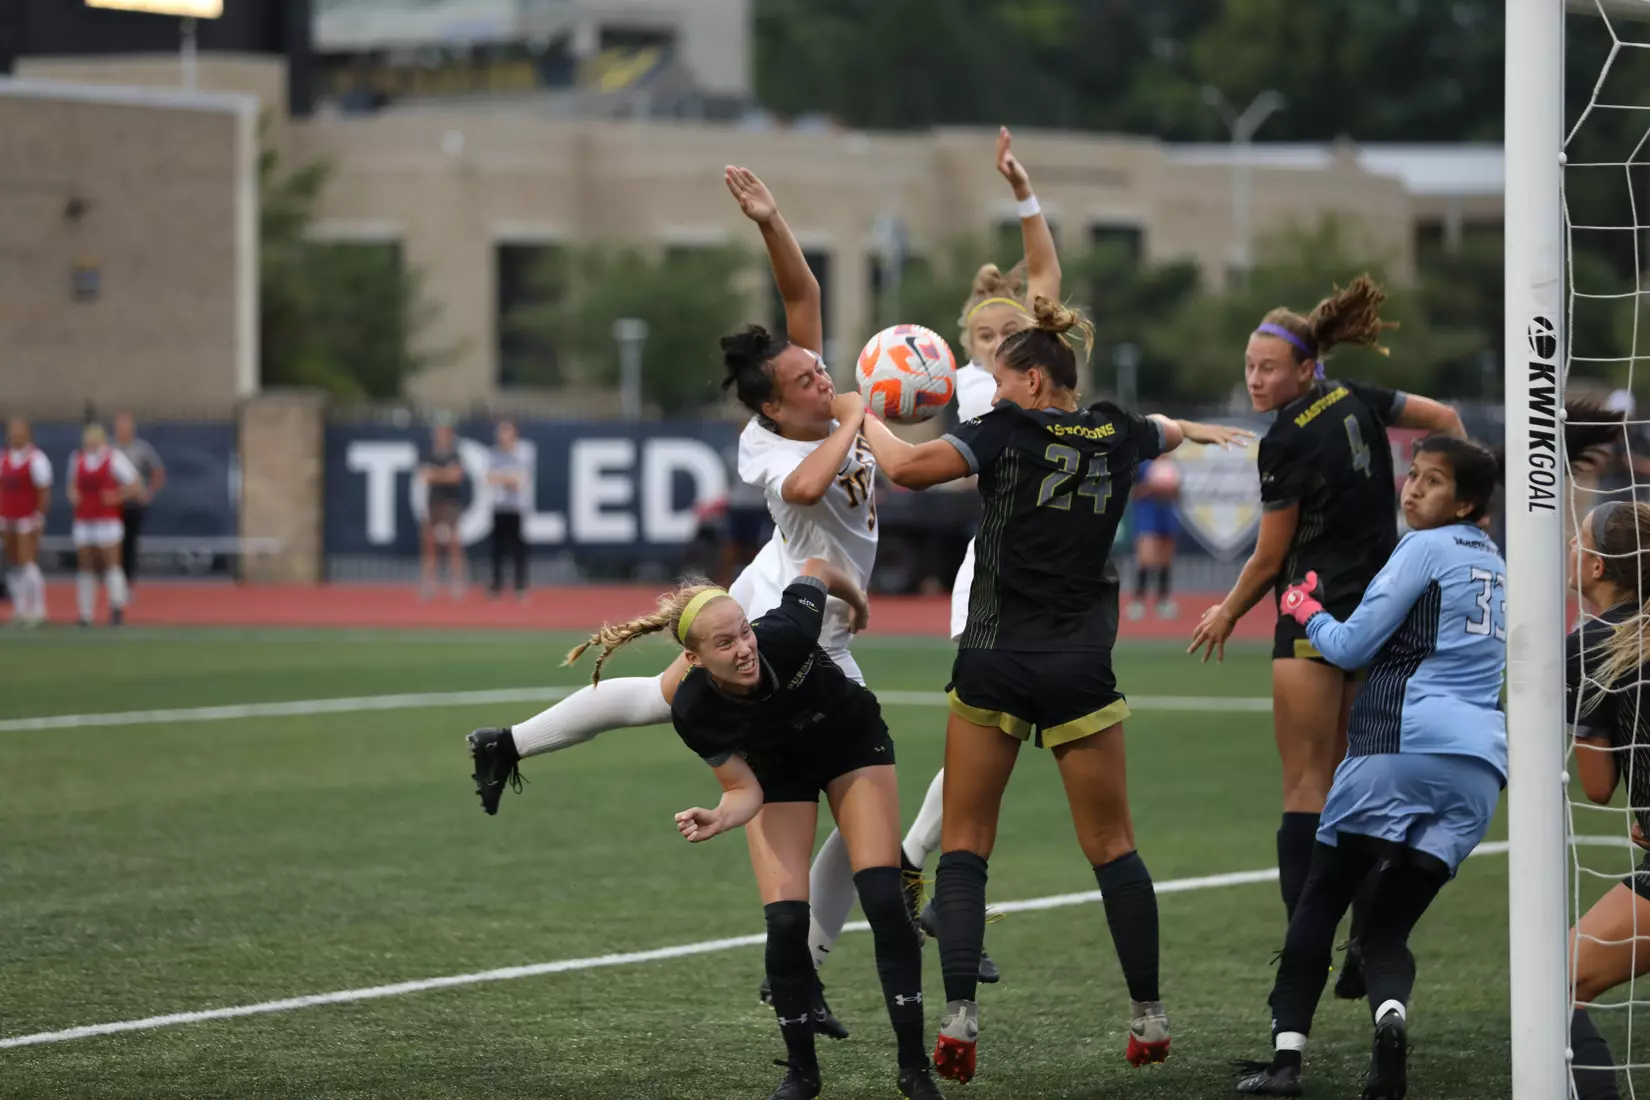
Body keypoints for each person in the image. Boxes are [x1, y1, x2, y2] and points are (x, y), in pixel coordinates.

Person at [466, 149, 1026, 1012]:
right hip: (788, 617)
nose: (824, 376)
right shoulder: (765, 443)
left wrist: (771, 221)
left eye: (821, 370)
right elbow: (803, 489)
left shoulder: (817, 400)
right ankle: (805, 961)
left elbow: (803, 296)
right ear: (772, 405)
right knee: (850, 782)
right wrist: (856, 420)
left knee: (662, 700)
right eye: (807, 379)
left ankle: (506, 744)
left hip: (796, 597)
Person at [862, 296, 1251, 1082]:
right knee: (1113, 847)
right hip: (1080, 664)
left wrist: (858, 412)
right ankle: (1149, 1014)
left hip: (996, 655)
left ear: (1035, 381)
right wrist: (1196, 429)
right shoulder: (1115, 430)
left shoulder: (1004, 430)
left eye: (1006, 381)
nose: (997, 394)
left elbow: (903, 469)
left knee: (966, 842)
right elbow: (1163, 429)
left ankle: (960, 1017)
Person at [563, 558, 943, 1100]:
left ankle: (914, 1070)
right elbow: (744, 790)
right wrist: (722, 815)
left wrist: (857, 604)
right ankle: (802, 1074)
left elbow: (816, 567)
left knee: (883, 898)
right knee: (785, 922)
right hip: (778, 768)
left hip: (852, 744)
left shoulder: (785, 631)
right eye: (725, 644)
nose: (744, 649)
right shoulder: (693, 708)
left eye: (744, 631)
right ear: (694, 659)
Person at [1187, 278, 1466, 986]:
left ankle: (1305, 950)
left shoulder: (1284, 439)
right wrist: (1454, 500)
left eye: (1268, 367)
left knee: (1306, 787)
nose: (1255, 379)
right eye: (1249, 366)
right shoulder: (1357, 396)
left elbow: (1270, 558)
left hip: (1313, 618)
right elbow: (1444, 417)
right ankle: (1366, 946)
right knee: (1359, 784)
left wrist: (1227, 612)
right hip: (1382, 614)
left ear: (1306, 368)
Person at [1233, 436, 1508, 1098]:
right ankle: (1390, 1021)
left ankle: (1286, 1063)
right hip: (1478, 769)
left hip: (1399, 746)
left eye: (1433, 481)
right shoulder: (1496, 560)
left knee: (1323, 898)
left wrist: (1304, 609)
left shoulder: (1422, 547)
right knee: (1386, 926)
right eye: (1413, 475)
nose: (1413, 488)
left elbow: (1351, 646)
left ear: (1464, 503)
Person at [1565, 499, 1650, 1100]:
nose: (1569, 547)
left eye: (1577, 539)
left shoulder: (1592, 643)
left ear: (1597, 567)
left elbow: (1597, 788)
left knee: (1555, 982)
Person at [67, 422, 138, 627]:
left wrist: (117, 495)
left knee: (111, 563)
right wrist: (73, 495)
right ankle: (85, 614)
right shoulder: (77, 458)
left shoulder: (113, 458)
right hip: (84, 518)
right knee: (85, 565)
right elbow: (72, 484)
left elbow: (134, 484)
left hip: (107, 519)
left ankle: (116, 607)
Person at [1, 418, 52, 627]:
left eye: (20, 432)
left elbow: (44, 491)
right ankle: (20, 609)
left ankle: (39, 609)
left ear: (28, 434)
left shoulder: (37, 458)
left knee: (27, 561)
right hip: (6, 517)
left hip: (27, 517)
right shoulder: (4, 458)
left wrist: (39, 517)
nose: (16, 435)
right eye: (13, 432)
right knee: (13, 563)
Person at [113, 411, 165, 591]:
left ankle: (128, 582)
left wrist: (148, 493)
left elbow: (157, 471)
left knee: (129, 544)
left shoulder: (141, 449)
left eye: (126, 428)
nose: (123, 431)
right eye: (120, 428)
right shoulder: (110, 449)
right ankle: (114, 583)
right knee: (111, 545)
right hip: (111, 506)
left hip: (132, 505)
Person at [419, 418, 468, 600]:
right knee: (429, 541)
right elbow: (423, 476)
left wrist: (436, 475)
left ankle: (457, 581)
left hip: (451, 502)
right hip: (433, 501)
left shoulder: (455, 455)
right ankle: (429, 581)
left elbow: (456, 477)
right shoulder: (428, 454)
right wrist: (444, 474)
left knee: (454, 541)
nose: (440, 436)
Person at [1129, 456, 1182, 621]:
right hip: (1147, 514)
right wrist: (1151, 487)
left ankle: (1163, 601)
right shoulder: (1142, 464)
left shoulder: (1171, 463)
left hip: (1167, 514)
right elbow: (1133, 493)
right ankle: (1138, 601)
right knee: (1146, 559)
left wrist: (1171, 489)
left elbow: (1178, 494)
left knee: (1165, 560)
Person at [487, 419, 529, 600]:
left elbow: (520, 480)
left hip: (516, 507)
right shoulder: (494, 454)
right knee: (498, 548)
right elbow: (490, 478)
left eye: (507, 432)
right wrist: (507, 478)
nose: (503, 436)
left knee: (518, 548)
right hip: (499, 506)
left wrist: (503, 478)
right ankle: (497, 585)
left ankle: (520, 585)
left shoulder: (522, 453)